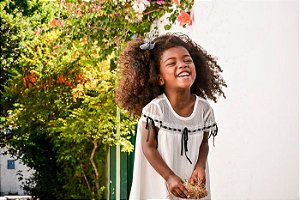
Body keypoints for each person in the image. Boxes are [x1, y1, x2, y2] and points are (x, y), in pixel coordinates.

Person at [116, 33, 226, 199]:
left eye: (187, 60)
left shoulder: (203, 109)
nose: (182, 65)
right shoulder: (156, 110)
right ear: (159, 78)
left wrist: (200, 166)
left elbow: (204, 143)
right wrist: (169, 177)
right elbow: (148, 147)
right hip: (162, 178)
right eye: (172, 63)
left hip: (191, 181)